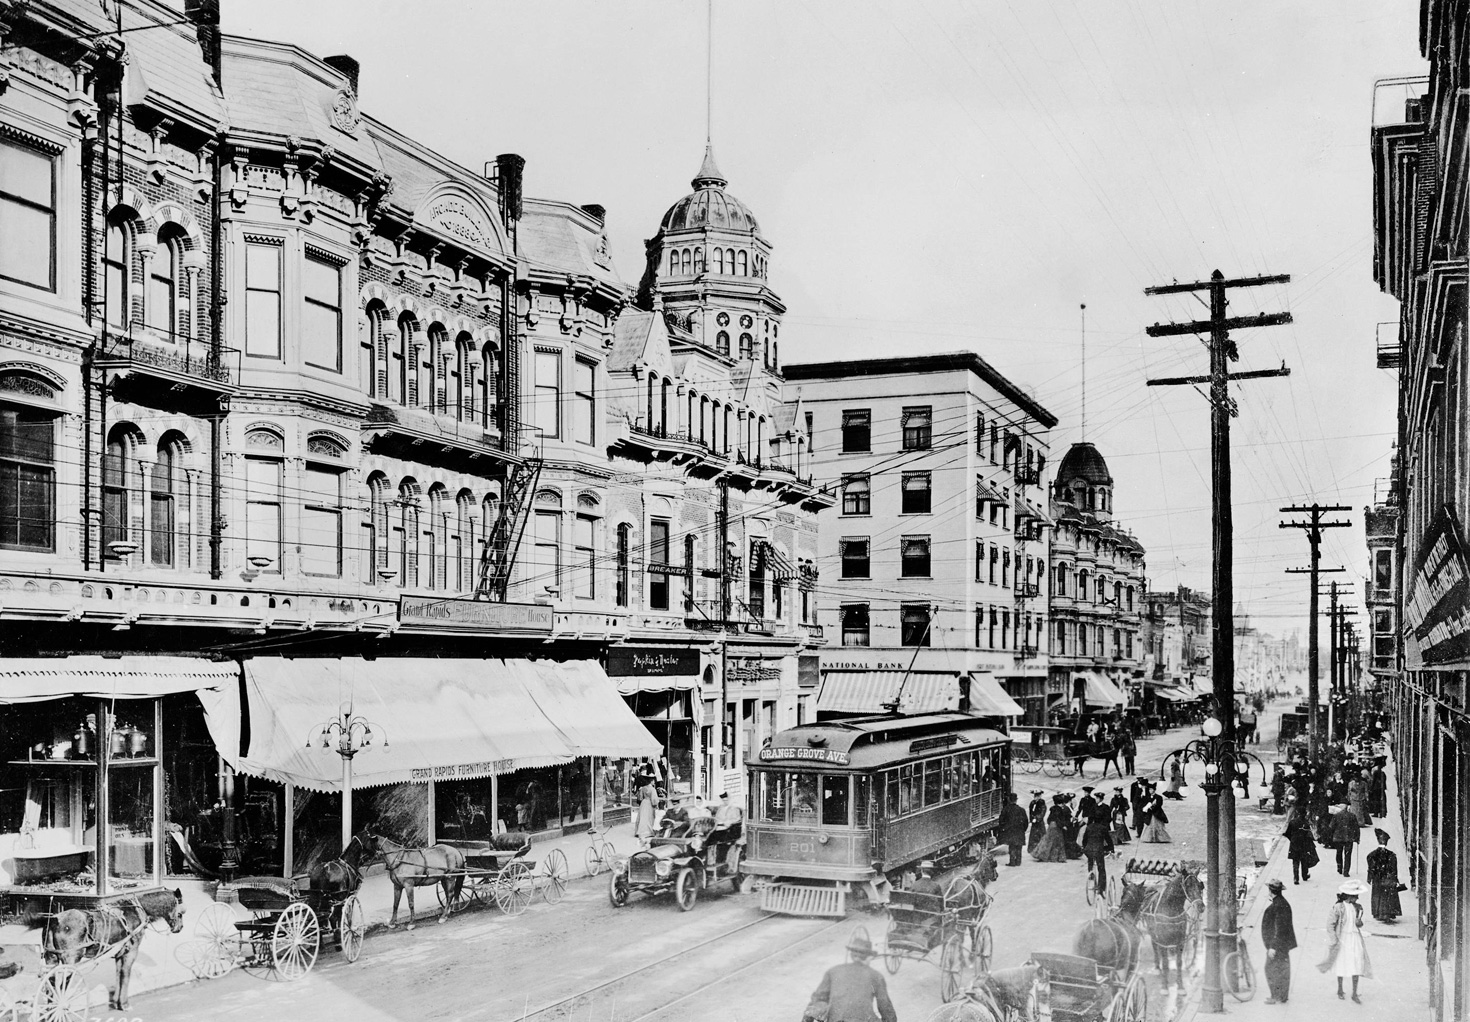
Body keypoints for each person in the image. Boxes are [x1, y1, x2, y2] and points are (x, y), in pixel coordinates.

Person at [805, 930, 898, 1022]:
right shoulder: (876, 976)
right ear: (868, 957)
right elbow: (886, 1008)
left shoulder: (833, 971)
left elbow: (815, 1001)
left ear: (851, 955)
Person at [1318, 880, 1373, 1003]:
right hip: (1342, 938)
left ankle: (1354, 993)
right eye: (1355, 896)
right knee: (1341, 963)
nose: (1357, 898)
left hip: (1355, 938)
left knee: (1357, 963)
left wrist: (1360, 922)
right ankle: (1340, 989)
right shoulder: (1338, 907)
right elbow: (1330, 925)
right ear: (1349, 895)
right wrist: (1334, 939)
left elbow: (1359, 924)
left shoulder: (1358, 908)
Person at [1261, 879, 1298, 1004]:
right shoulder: (1283, 903)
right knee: (1282, 968)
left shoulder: (1277, 906)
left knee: (1270, 969)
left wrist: (1273, 946)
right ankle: (1282, 995)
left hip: (1278, 944)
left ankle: (1275, 995)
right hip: (1284, 943)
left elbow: (1279, 928)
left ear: (1271, 891)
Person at [1364, 829, 1402, 922]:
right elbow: (1394, 869)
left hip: (1377, 878)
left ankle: (1378, 912)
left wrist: (1369, 877)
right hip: (1388, 878)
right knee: (1388, 895)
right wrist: (1395, 879)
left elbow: (1371, 867)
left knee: (1378, 894)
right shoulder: (1391, 855)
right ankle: (1388, 912)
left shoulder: (1372, 855)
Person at [1080, 808, 1114, 897]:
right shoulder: (1103, 828)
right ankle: (1101, 888)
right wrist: (1111, 849)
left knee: (1090, 858)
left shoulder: (1089, 827)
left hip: (1088, 850)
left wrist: (1085, 848)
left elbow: (1084, 840)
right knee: (1101, 868)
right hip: (1098, 850)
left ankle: (1090, 873)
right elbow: (1109, 840)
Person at [1285, 802, 1318, 884]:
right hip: (1304, 844)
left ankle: (1296, 878)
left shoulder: (1293, 822)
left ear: (1297, 812)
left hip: (1295, 843)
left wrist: (1292, 839)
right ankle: (1304, 875)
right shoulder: (1306, 823)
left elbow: (1287, 833)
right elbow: (1309, 835)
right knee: (1304, 860)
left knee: (1295, 861)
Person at [1031, 794, 1070, 862]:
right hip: (1056, 827)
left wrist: (1051, 824)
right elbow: (1058, 819)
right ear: (1059, 803)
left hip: (1051, 826)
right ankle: (1056, 858)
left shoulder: (1053, 809)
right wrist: (1062, 826)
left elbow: (1049, 819)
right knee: (1058, 842)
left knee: (1047, 841)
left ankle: (1042, 855)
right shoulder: (1059, 809)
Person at [1329, 803, 1362, 876]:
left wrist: (1331, 836)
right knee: (1348, 855)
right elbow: (1356, 828)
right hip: (1349, 838)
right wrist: (1357, 838)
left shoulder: (1336, 816)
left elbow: (1331, 827)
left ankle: (1339, 867)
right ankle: (1346, 871)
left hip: (1338, 838)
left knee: (1339, 852)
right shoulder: (1352, 816)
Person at [998, 792, 1029, 867]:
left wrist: (1004, 829)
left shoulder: (1005, 810)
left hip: (1010, 831)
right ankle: (1018, 862)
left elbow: (1001, 821)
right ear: (1016, 800)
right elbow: (1026, 822)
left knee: (1012, 847)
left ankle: (1012, 862)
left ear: (1009, 800)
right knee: (1019, 847)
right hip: (1019, 831)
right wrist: (1023, 829)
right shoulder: (1021, 810)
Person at [1026, 789, 1047, 856]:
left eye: (1038, 795)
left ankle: (1042, 851)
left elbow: (1043, 812)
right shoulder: (1032, 803)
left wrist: (1037, 818)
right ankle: (1033, 850)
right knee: (1034, 836)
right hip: (1034, 823)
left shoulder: (1042, 802)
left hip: (1039, 822)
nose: (1036, 797)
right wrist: (1031, 819)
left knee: (1041, 835)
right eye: (1035, 795)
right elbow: (1030, 812)